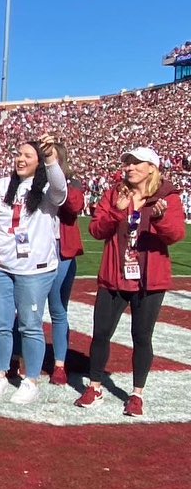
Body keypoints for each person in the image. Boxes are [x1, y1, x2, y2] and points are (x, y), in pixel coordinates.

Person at [76, 147, 185, 416]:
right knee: (101, 333)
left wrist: (159, 219)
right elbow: (95, 229)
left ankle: (137, 394)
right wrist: (116, 211)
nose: (129, 168)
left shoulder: (167, 197)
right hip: (114, 276)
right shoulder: (114, 194)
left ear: (152, 167)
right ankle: (95, 386)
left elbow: (176, 234)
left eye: (136, 163)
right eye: (127, 163)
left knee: (142, 336)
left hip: (150, 279)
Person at [0, 136, 67, 405]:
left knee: (30, 325)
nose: (21, 159)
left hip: (35, 269)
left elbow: (61, 190)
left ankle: (30, 380)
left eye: (28, 155)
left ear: (39, 162)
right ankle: (0, 373)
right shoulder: (1, 185)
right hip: (3, 265)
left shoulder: (47, 187)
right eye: (18, 154)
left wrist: (51, 158)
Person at [46, 143, 84, 385]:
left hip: (62, 252)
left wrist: (59, 182)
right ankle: (18, 356)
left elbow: (75, 205)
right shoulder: (32, 182)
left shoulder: (73, 183)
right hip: (35, 252)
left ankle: (60, 363)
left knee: (58, 308)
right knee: (26, 307)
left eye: (53, 158)